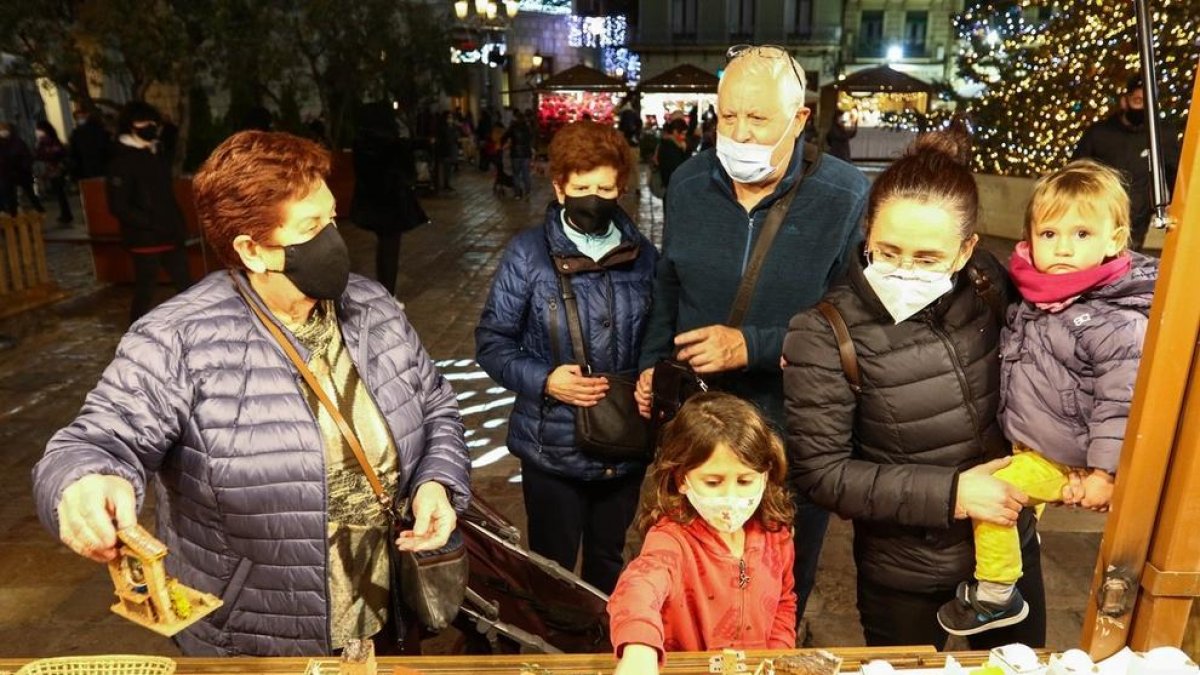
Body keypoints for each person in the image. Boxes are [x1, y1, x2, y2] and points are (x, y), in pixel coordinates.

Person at [33, 130, 471, 656]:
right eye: (311, 228)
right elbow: (97, 441)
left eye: (331, 218)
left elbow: (436, 406)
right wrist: (82, 483)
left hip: (385, 613)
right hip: (257, 637)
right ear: (253, 250)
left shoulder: (373, 306)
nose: (333, 239)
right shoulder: (178, 338)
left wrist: (437, 483)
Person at [781, 130, 1048, 649]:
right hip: (905, 572)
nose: (904, 270)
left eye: (927, 258)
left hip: (1011, 549)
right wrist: (954, 495)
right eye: (888, 251)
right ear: (867, 233)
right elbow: (821, 472)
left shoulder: (985, 283)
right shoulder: (825, 331)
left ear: (967, 249)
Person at [634, 44, 869, 623]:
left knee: (782, 572)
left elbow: (855, 320)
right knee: (688, 566)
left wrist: (753, 345)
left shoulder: (845, 196)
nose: (739, 132)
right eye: (729, 115)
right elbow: (669, 282)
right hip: (697, 421)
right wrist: (651, 363)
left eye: (758, 118)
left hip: (793, 426)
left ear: (800, 118)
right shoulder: (688, 182)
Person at [936, 159, 1157, 636]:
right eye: (1050, 233)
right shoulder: (1041, 295)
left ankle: (996, 594)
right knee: (1014, 517)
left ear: (1115, 240)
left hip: (1063, 456)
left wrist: (1103, 473)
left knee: (994, 498)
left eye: (1082, 235)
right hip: (1036, 443)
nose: (1062, 248)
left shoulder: (1114, 320)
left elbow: (1121, 403)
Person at [475, 120, 658, 595]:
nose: (593, 197)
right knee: (550, 571)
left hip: (623, 441)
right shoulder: (527, 255)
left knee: (607, 561)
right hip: (551, 444)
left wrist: (653, 374)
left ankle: (602, 648)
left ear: (621, 188)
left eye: (604, 187)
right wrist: (545, 379)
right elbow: (493, 341)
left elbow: (663, 336)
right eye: (581, 187)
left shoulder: (645, 256)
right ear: (559, 187)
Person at [609, 392, 796, 674]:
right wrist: (639, 649)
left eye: (745, 480)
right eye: (713, 482)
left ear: (766, 474)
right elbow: (639, 586)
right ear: (681, 478)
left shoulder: (775, 533)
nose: (730, 496)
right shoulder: (671, 540)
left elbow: (784, 601)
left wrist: (776, 659)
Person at [1073, 74, 1181, 252]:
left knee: (1127, 258)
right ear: (1125, 101)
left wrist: (1173, 201)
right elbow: (1077, 169)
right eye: (1137, 100)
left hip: (1137, 215)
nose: (1141, 106)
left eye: (1147, 102)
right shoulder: (1099, 133)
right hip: (1099, 210)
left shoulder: (1161, 135)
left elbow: (1173, 170)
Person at [106, 101, 192, 324]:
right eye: (143, 121)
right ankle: (135, 332)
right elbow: (119, 206)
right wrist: (150, 223)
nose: (149, 126)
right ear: (130, 126)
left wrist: (177, 224)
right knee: (146, 289)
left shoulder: (155, 153)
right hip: (145, 239)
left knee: (186, 285)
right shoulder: (120, 162)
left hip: (170, 234)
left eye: (152, 122)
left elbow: (166, 196)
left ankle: (197, 326)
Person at [351, 102, 429, 296]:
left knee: (384, 249)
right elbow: (407, 173)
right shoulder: (393, 145)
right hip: (392, 206)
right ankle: (388, 292)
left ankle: (385, 289)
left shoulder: (361, 143)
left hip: (371, 204)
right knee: (390, 250)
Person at [0, 122, 45, 216]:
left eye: (4, 129)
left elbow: (26, 156)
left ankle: (40, 212)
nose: (3, 131)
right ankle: (14, 217)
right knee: (10, 198)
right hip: (7, 175)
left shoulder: (17, 142)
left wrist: (24, 167)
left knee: (30, 194)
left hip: (21, 172)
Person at [35, 120, 73, 225]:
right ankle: (65, 213)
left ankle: (66, 214)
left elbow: (55, 153)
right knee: (59, 193)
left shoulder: (49, 141)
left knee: (60, 193)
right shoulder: (45, 141)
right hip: (53, 170)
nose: (37, 132)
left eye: (39, 129)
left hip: (55, 170)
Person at [68, 106, 113, 180]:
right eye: (77, 117)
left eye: (81, 116)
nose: (80, 119)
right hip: (90, 167)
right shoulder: (77, 133)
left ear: (87, 115)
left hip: (94, 166)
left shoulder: (95, 130)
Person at [502, 109, 534, 200]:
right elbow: (531, 138)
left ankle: (518, 193)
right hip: (526, 153)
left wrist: (504, 144)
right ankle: (527, 191)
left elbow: (504, 137)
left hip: (515, 153)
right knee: (526, 173)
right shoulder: (528, 128)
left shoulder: (513, 127)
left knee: (516, 174)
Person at [655, 118, 690, 191]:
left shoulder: (667, 143)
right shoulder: (670, 147)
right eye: (683, 134)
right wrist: (684, 151)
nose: (684, 137)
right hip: (673, 186)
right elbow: (680, 166)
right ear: (675, 132)